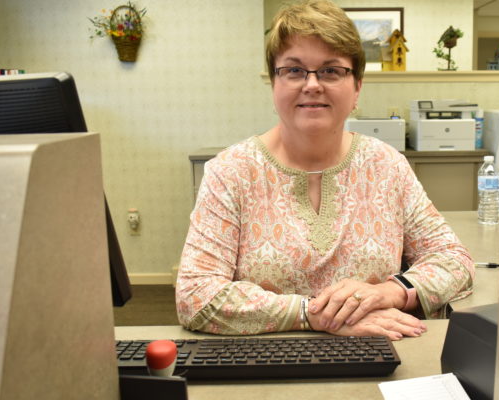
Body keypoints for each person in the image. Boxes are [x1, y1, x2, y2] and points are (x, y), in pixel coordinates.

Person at [176, 0, 474, 341]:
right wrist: (315, 315)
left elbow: (455, 262)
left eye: (331, 70)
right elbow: (195, 296)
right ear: (274, 84)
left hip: (380, 360)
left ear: (357, 87)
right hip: (268, 367)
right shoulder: (231, 172)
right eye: (294, 70)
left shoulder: (387, 166)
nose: (312, 85)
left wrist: (391, 292)